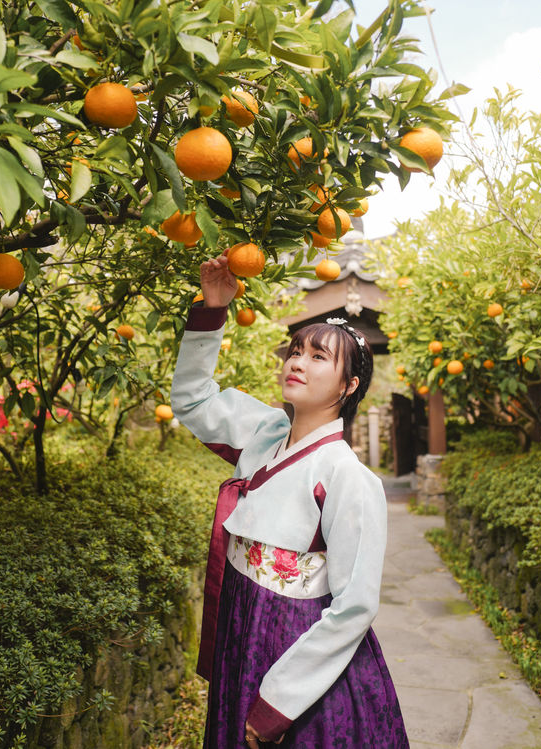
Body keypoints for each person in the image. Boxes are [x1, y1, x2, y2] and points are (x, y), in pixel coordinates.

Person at [171, 252, 410, 749]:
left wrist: (279, 702)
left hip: (294, 652)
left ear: (350, 385)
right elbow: (192, 399)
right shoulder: (263, 433)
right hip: (243, 625)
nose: (297, 361)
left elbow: (354, 606)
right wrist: (213, 309)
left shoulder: (349, 477)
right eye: (296, 350)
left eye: (319, 356)